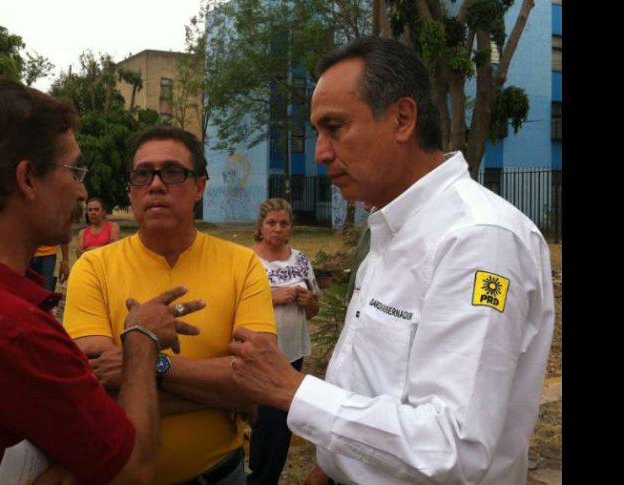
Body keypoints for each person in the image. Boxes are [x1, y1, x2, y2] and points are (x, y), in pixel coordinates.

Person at [227, 37, 555, 484]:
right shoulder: (388, 231)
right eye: (317, 132)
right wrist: (327, 468)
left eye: (335, 127)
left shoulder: (480, 240)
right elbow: (368, 379)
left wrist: (293, 390)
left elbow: (452, 449)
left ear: (402, 118)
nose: (321, 152)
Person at [0, 77, 202, 485]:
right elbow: (133, 468)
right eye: (74, 170)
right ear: (27, 179)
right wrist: (140, 340)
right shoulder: (10, 327)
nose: (83, 192)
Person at [63, 125, 277, 485]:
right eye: (143, 174)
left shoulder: (242, 265)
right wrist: (221, 396)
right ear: (131, 188)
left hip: (219, 475)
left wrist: (149, 364)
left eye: (173, 172)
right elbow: (96, 393)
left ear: (200, 186)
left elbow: (259, 379)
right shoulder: (93, 268)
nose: (157, 184)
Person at [247, 198, 320, 485]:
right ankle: (258, 476)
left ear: (291, 227)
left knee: (284, 417)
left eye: (284, 223)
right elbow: (237, 306)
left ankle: (270, 475)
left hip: (292, 351)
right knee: (266, 419)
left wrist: (308, 301)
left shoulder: (300, 259)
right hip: (260, 351)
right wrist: (272, 297)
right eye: (271, 223)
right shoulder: (248, 260)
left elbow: (314, 312)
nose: (278, 229)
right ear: (260, 226)